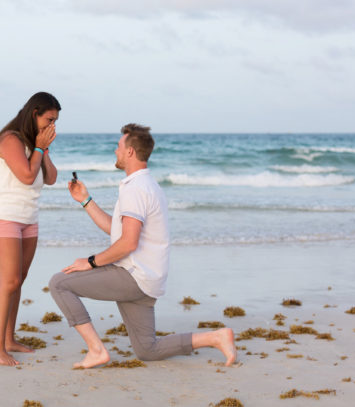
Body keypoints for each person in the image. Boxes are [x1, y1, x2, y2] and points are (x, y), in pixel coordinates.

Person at [49, 124, 237, 369]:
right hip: (147, 280)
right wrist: (85, 200)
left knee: (59, 283)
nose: (115, 151)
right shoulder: (147, 185)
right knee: (147, 349)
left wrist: (90, 262)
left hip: (133, 276)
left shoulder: (135, 189)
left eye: (118, 147)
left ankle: (96, 350)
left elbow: (128, 243)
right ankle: (215, 337)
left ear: (129, 152)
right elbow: (117, 231)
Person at [0, 92, 61, 366]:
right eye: (49, 120)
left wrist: (43, 148)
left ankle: (8, 339)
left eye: (55, 122)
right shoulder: (10, 139)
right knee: (10, 281)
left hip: (28, 218)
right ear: (34, 113)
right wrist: (38, 149)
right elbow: (27, 176)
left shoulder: (34, 143)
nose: (52, 126)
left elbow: (50, 178)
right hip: (3, 216)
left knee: (20, 279)